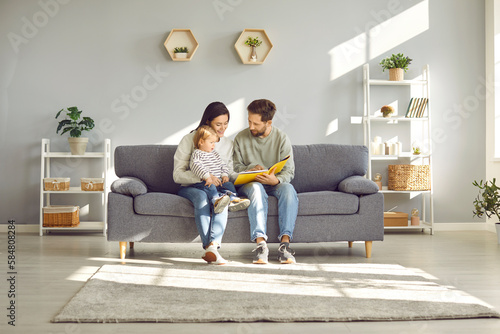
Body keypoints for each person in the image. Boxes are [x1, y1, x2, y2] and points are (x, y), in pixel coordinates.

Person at [173, 102, 247, 265]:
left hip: (217, 187)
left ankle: (212, 247)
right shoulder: (190, 140)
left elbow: (227, 169)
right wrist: (205, 177)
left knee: (223, 199)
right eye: (218, 124)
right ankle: (210, 246)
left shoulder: (227, 144)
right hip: (193, 187)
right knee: (202, 197)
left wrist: (249, 174)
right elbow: (177, 174)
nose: (223, 128)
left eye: (226, 123)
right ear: (207, 122)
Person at [233, 99, 299, 264]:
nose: (251, 127)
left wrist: (275, 180)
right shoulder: (240, 138)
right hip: (251, 183)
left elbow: (289, 171)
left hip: (273, 183)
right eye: (249, 121)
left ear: (268, 122)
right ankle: (261, 245)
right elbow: (234, 167)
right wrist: (249, 168)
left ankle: (285, 245)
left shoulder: (282, 138)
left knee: (288, 189)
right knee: (256, 188)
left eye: (255, 123)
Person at [189, 125, 250, 214]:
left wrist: (224, 175)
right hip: (205, 182)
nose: (214, 145)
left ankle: (233, 200)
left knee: (228, 185)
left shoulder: (215, 154)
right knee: (211, 187)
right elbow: (196, 166)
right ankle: (216, 201)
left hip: (219, 181)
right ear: (201, 142)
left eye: (214, 142)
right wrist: (207, 177)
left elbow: (222, 165)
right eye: (211, 142)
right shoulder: (197, 153)